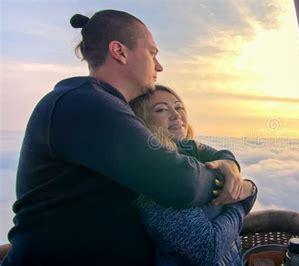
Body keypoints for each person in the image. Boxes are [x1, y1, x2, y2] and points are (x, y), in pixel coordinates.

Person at [2, 10, 245, 266]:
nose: (159, 66)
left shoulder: (107, 108)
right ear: (120, 51)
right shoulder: (84, 103)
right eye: (152, 53)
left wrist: (227, 161)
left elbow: (186, 146)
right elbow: (181, 182)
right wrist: (238, 189)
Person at [130, 85, 258, 265]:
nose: (176, 115)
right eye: (161, 110)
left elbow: (222, 157)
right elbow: (208, 249)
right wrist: (243, 201)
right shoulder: (159, 179)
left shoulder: (195, 155)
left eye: (178, 107)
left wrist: (235, 172)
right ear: (141, 123)